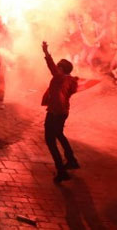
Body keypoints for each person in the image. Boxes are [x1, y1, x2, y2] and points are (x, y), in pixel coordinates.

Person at [41, 41, 80, 183]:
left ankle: (61, 171)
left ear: (61, 69)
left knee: (50, 140)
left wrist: (46, 52)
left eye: (58, 66)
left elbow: (51, 67)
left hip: (55, 112)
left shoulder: (59, 77)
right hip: (63, 112)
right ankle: (71, 159)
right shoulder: (70, 80)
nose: (56, 67)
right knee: (59, 134)